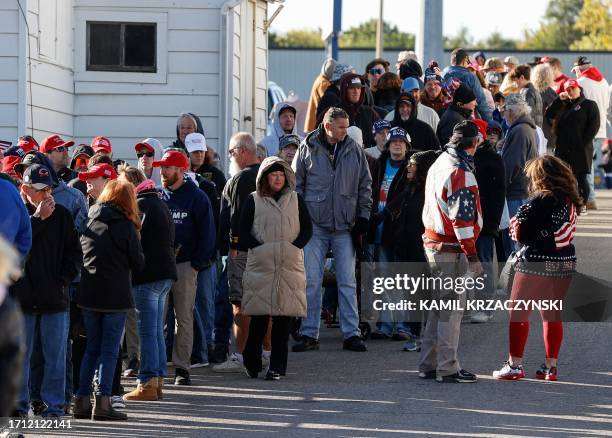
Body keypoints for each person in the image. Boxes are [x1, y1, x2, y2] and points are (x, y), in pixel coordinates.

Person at [492, 156, 581, 381]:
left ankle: (514, 365)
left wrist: (516, 227)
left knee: (518, 312)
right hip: (565, 260)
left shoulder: (540, 200)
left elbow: (518, 229)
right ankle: (551, 368)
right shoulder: (570, 199)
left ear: (540, 176)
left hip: (535, 261)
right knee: (552, 314)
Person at [292, 107, 372, 353]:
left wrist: (363, 216)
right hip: (315, 225)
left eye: (346, 126)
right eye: (341, 126)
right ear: (328, 126)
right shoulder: (307, 147)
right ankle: (308, 333)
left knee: (347, 281)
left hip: (345, 226)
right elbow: (296, 185)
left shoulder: (354, 150)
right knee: (312, 281)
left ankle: (352, 334)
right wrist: (302, 219)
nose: (345, 131)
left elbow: (364, 185)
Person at [12, 164, 81, 418]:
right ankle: (19, 406)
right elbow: (15, 251)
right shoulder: (17, 215)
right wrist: (37, 220)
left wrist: (63, 280)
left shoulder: (62, 215)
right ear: (26, 189)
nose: (47, 194)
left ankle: (54, 407)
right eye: (41, 190)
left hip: (54, 298)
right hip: (23, 300)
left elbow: (75, 254)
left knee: (55, 357)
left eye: (50, 188)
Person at [74, 179, 144, 421]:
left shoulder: (90, 220)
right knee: (109, 350)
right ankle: (103, 403)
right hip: (115, 296)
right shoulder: (126, 226)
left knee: (91, 348)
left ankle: (81, 401)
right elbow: (138, 262)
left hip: (89, 293)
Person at [419, 121, 483, 383]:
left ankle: (429, 363)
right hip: (450, 248)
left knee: (438, 307)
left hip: (433, 243)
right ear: (474, 143)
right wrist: (473, 256)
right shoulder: (460, 172)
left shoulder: (440, 162)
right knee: (450, 310)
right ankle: (447, 367)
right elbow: (462, 221)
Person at [239, 156, 312, 380]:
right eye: (273, 174)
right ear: (265, 177)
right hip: (261, 265)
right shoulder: (254, 200)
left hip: (289, 265)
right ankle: (251, 362)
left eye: (281, 174)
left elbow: (307, 229)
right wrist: (261, 249)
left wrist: (293, 247)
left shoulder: (296, 199)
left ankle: (277, 368)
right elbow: (242, 230)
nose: (278, 178)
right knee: (259, 319)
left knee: (283, 321)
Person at [154, 150, 215, 385]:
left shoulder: (197, 197)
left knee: (184, 318)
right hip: (159, 266)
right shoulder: (158, 196)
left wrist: (197, 265)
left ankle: (182, 368)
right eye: (161, 168)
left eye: (167, 168)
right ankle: (156, 367)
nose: (162, 172)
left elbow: (208, 235)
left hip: (185, 265)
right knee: (157, 319)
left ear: (180, 170)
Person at [117, 167, 177, 401]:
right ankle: (157, 380)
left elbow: (134, 242)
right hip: (164, 274)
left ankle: (148, 383)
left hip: (148, 275)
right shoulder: (158, 202)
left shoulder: (140, 206)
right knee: (156, 332)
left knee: (148, 331)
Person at [215, 132, 270, 372]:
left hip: (244, 252)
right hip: (268, 250)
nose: (230, 156)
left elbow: (236, 216)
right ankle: (267, 352)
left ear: (243, 151)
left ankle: (239, 355)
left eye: (232, 151)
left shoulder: (240, 179)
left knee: (240, 305)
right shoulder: (269, 175)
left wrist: (234, 246)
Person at [367, 127, 412, 341]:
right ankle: (385, 324)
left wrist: (386, 212)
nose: (397, 145)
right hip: (379, 232)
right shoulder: (378, 165)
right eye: (393, 141)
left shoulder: (411, 168)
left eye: (401, 142)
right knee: (384, 279)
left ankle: (403, 325)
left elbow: (407, 196)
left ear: (406, 146)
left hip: (400, 232)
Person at [471, 119, 506, 323]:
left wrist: (492, 224)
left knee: (483, 262)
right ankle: (476, 305)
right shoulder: (467, 155)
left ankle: (485, 307)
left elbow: (499, 193)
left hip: (485, 221)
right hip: (467, 220)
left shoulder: (492, 158)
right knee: (471, 263)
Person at [546, 79, 600, 209]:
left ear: (579, 89)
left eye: (573, 88)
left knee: (581, 178)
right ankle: (567, 204)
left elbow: (594, 126)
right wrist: (559, 99)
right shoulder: (563, 105)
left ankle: (582, 204)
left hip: (580, 149)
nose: (571, 91)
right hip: (563, 148)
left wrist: (582, 144)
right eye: (568, 89)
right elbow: (549, 114)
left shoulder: (589, 105)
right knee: (563, 177)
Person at [573, 56, 610, 210]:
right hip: (599, 128)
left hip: (585, 128)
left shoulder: (581, 83)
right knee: (589, 163)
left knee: (584, 164)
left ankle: (589, 198)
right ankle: (590, 196)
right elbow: (607, 105)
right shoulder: (603, 81)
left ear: (579, 69)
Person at [500, 94, 538, 220]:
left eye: (504, 111)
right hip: (523, 191)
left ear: (510, 112)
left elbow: (512, 164)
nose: (503, 115)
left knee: (513, 236)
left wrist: (500, 187)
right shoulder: (524, 128)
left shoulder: (519, 131)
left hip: (517, 194)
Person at [444, 48, 493, 123]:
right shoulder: (470, 77)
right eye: (467, 62)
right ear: (464, 61)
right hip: (465, 120)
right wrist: (491, 123)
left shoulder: (442, 74)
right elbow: (481, 102)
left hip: (444, 116)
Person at [337, 74, 380, 147]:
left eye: (358, 88)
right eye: (352, 88)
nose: (356, 91)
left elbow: (382, 134)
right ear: (344, 90)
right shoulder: (333, 113)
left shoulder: (369, 112)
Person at [304, 58, 336, 133]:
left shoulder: (320, 79)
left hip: (313, 123)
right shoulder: (324, 83)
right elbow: (327, 101)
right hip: (316, 124)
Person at [532, 64, 559, 152]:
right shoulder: (550, 94)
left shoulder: (529, 92)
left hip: (531, 136)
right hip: (547, 139)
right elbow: (555, 118)